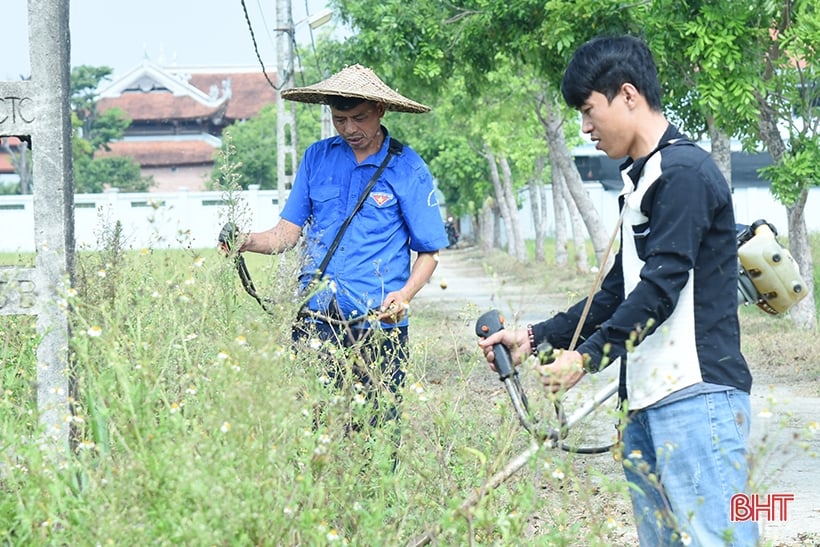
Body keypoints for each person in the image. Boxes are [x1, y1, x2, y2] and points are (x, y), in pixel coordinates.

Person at [479, 36, 759, 546]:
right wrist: (536, 337)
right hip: (648, 402)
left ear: (627, 95)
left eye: (589, 111)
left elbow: (659, 290)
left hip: (699, 399)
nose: (586, 128)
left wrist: (584, 360)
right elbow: (616, 292)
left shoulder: (685, 174)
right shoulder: (645, 179)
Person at [223, 65, 448, 442]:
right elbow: (285, 235)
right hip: (315, 321)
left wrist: (405, 295)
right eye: (340, 119)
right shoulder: (316, 158)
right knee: (315, 430)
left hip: (377, 326)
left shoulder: (408, 168)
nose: (349, 129)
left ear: (380, 110)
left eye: (359, 117)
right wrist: (244, 240)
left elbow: (429, 253)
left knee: (377, 431)